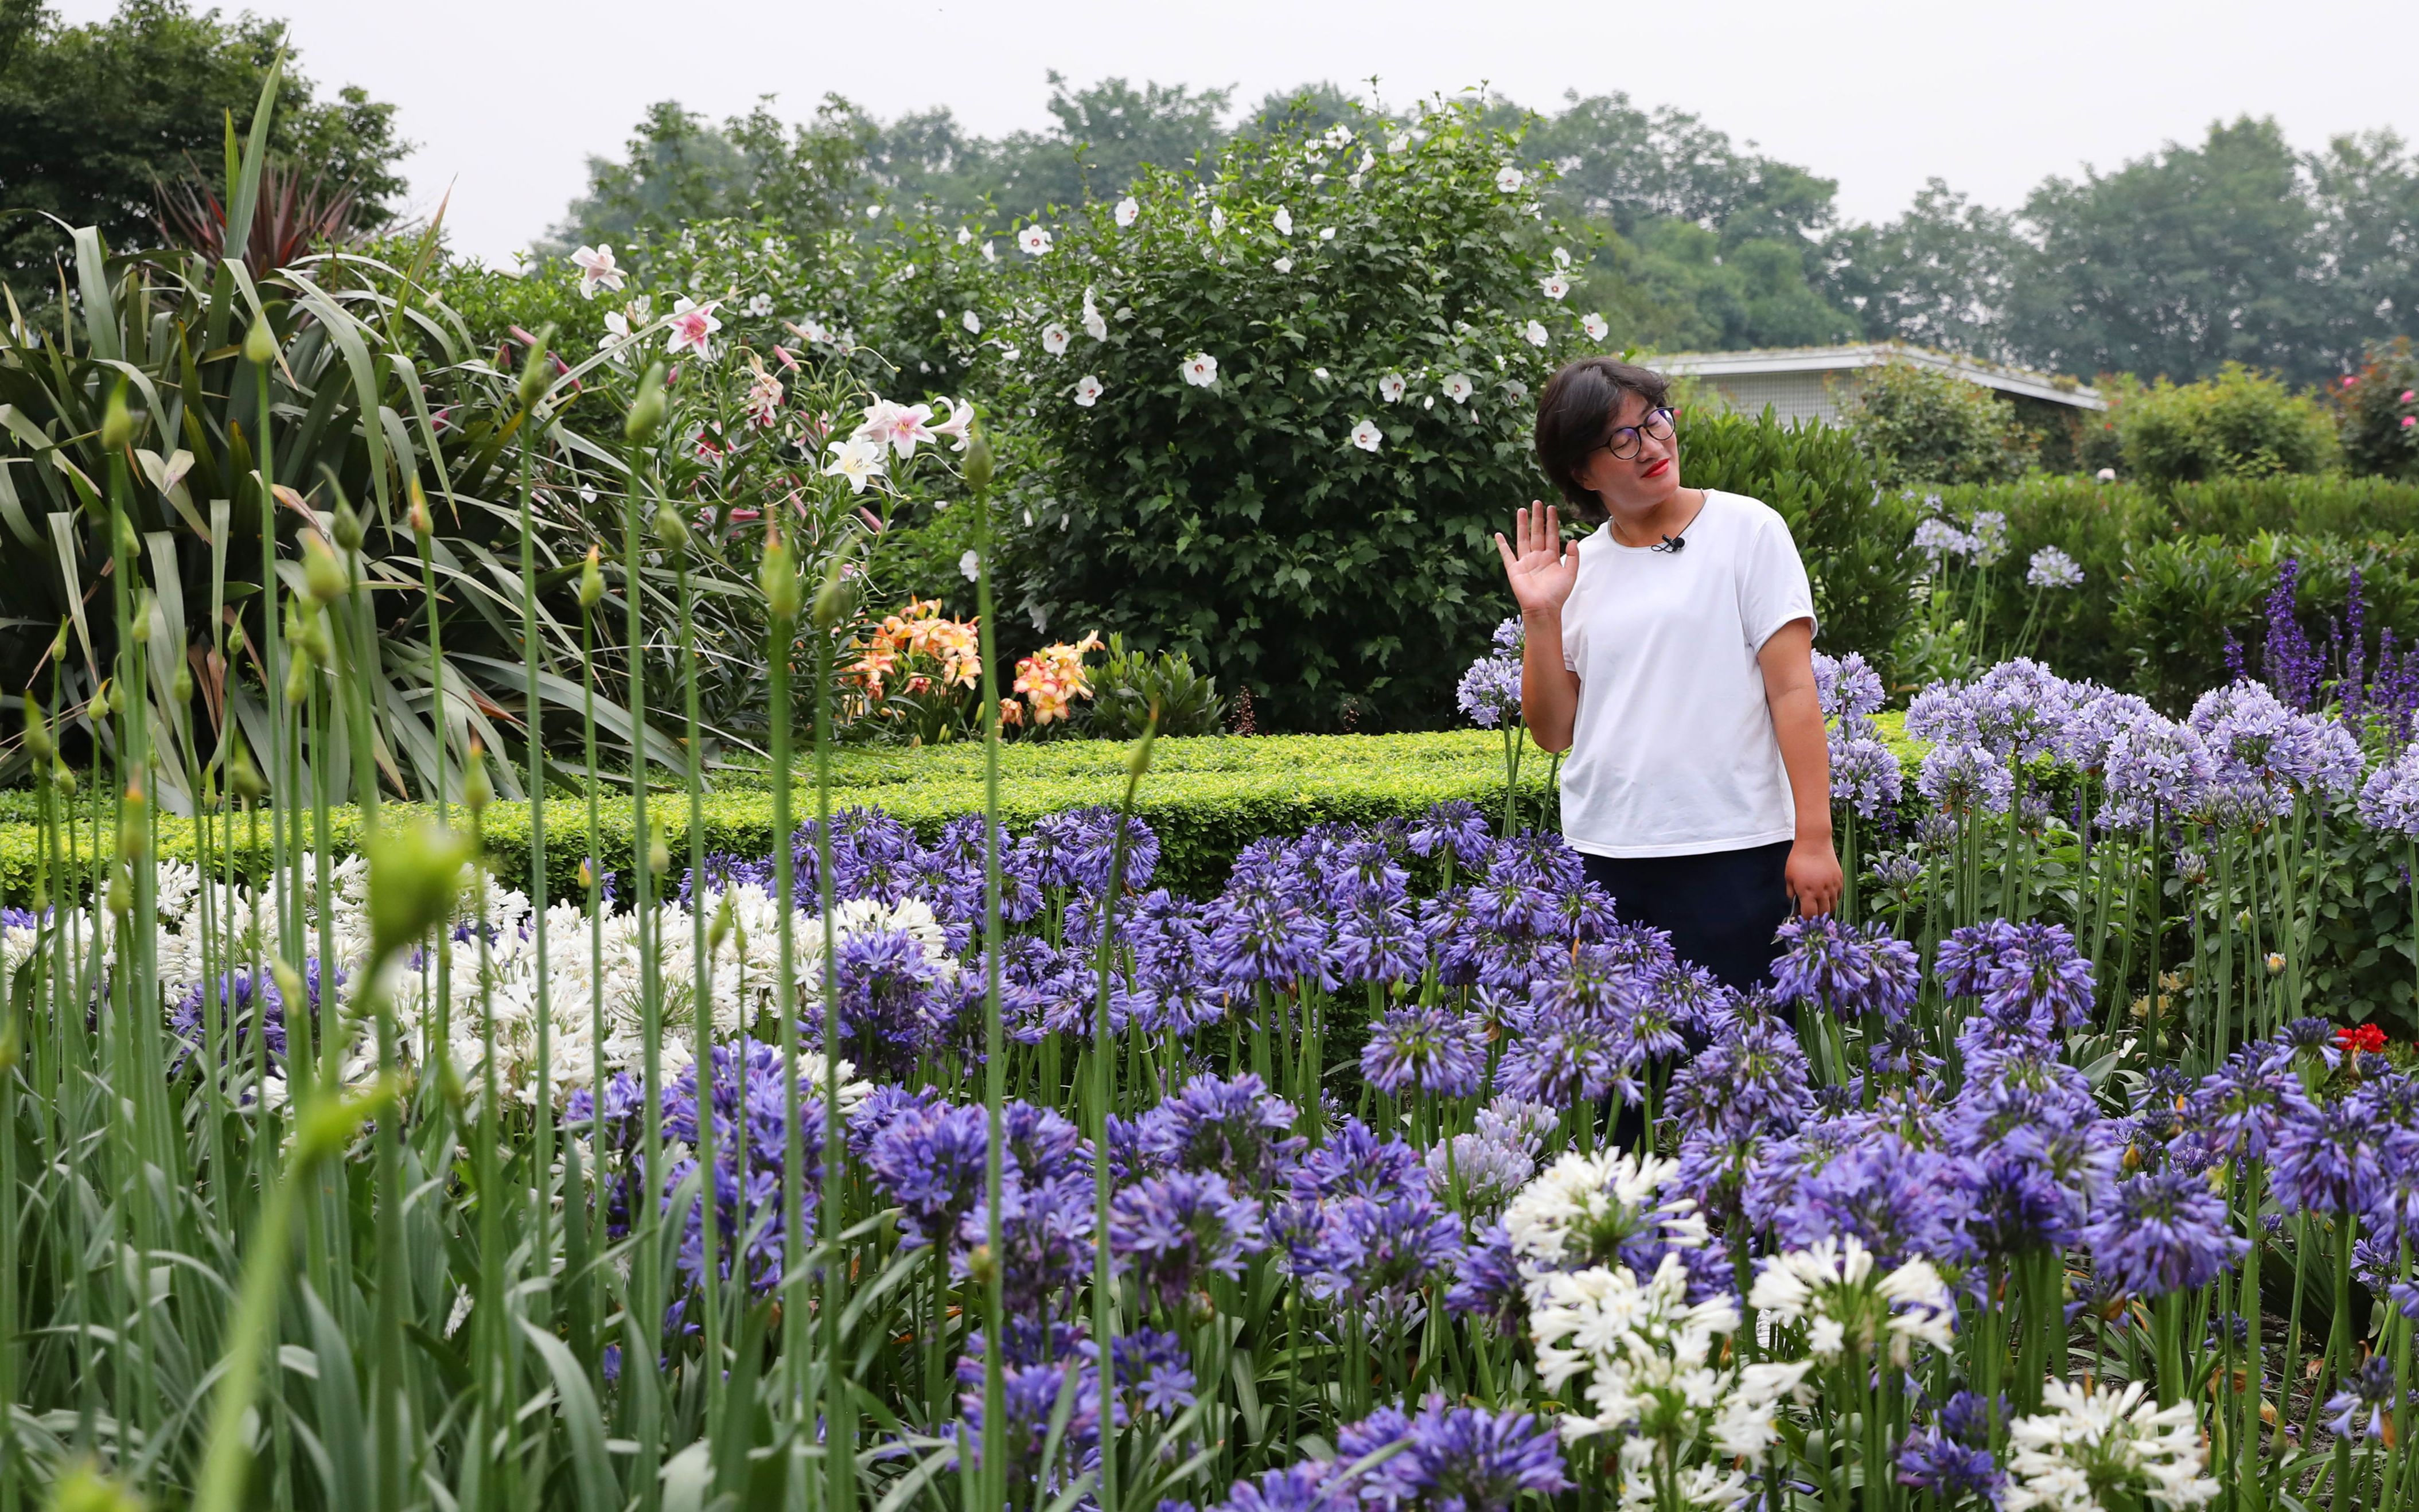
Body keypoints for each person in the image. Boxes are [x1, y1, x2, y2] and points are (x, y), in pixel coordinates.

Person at [1495, 356, 1840, 990]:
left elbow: (1792, 690)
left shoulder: (1748, 529)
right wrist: (1540, 616)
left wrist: (1813, 837)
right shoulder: (1578, 569)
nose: (1651, 446)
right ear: (1580, 470)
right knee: (1621, 1081)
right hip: (1607, 855)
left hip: (1735, 848)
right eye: (1621, 440)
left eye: (1654, 422)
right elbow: (1552, 732)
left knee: (1743, 1068)